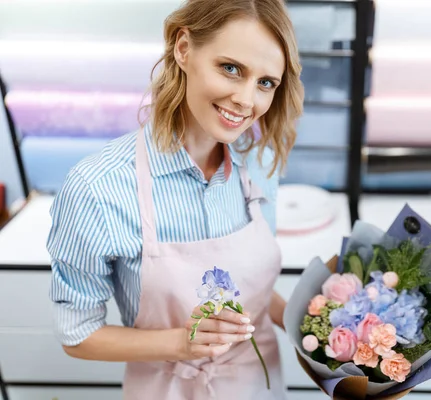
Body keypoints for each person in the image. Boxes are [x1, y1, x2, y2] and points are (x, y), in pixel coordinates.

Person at [46, 0, 304, 398]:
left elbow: (247, 286)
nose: (246, 100)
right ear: (183, 48)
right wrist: (182, 343)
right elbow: (78, 335)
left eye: (265, 82)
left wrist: (314, 327)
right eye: (231, 68)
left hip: (260, 383)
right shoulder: (97, 188)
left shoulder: (260, 161)